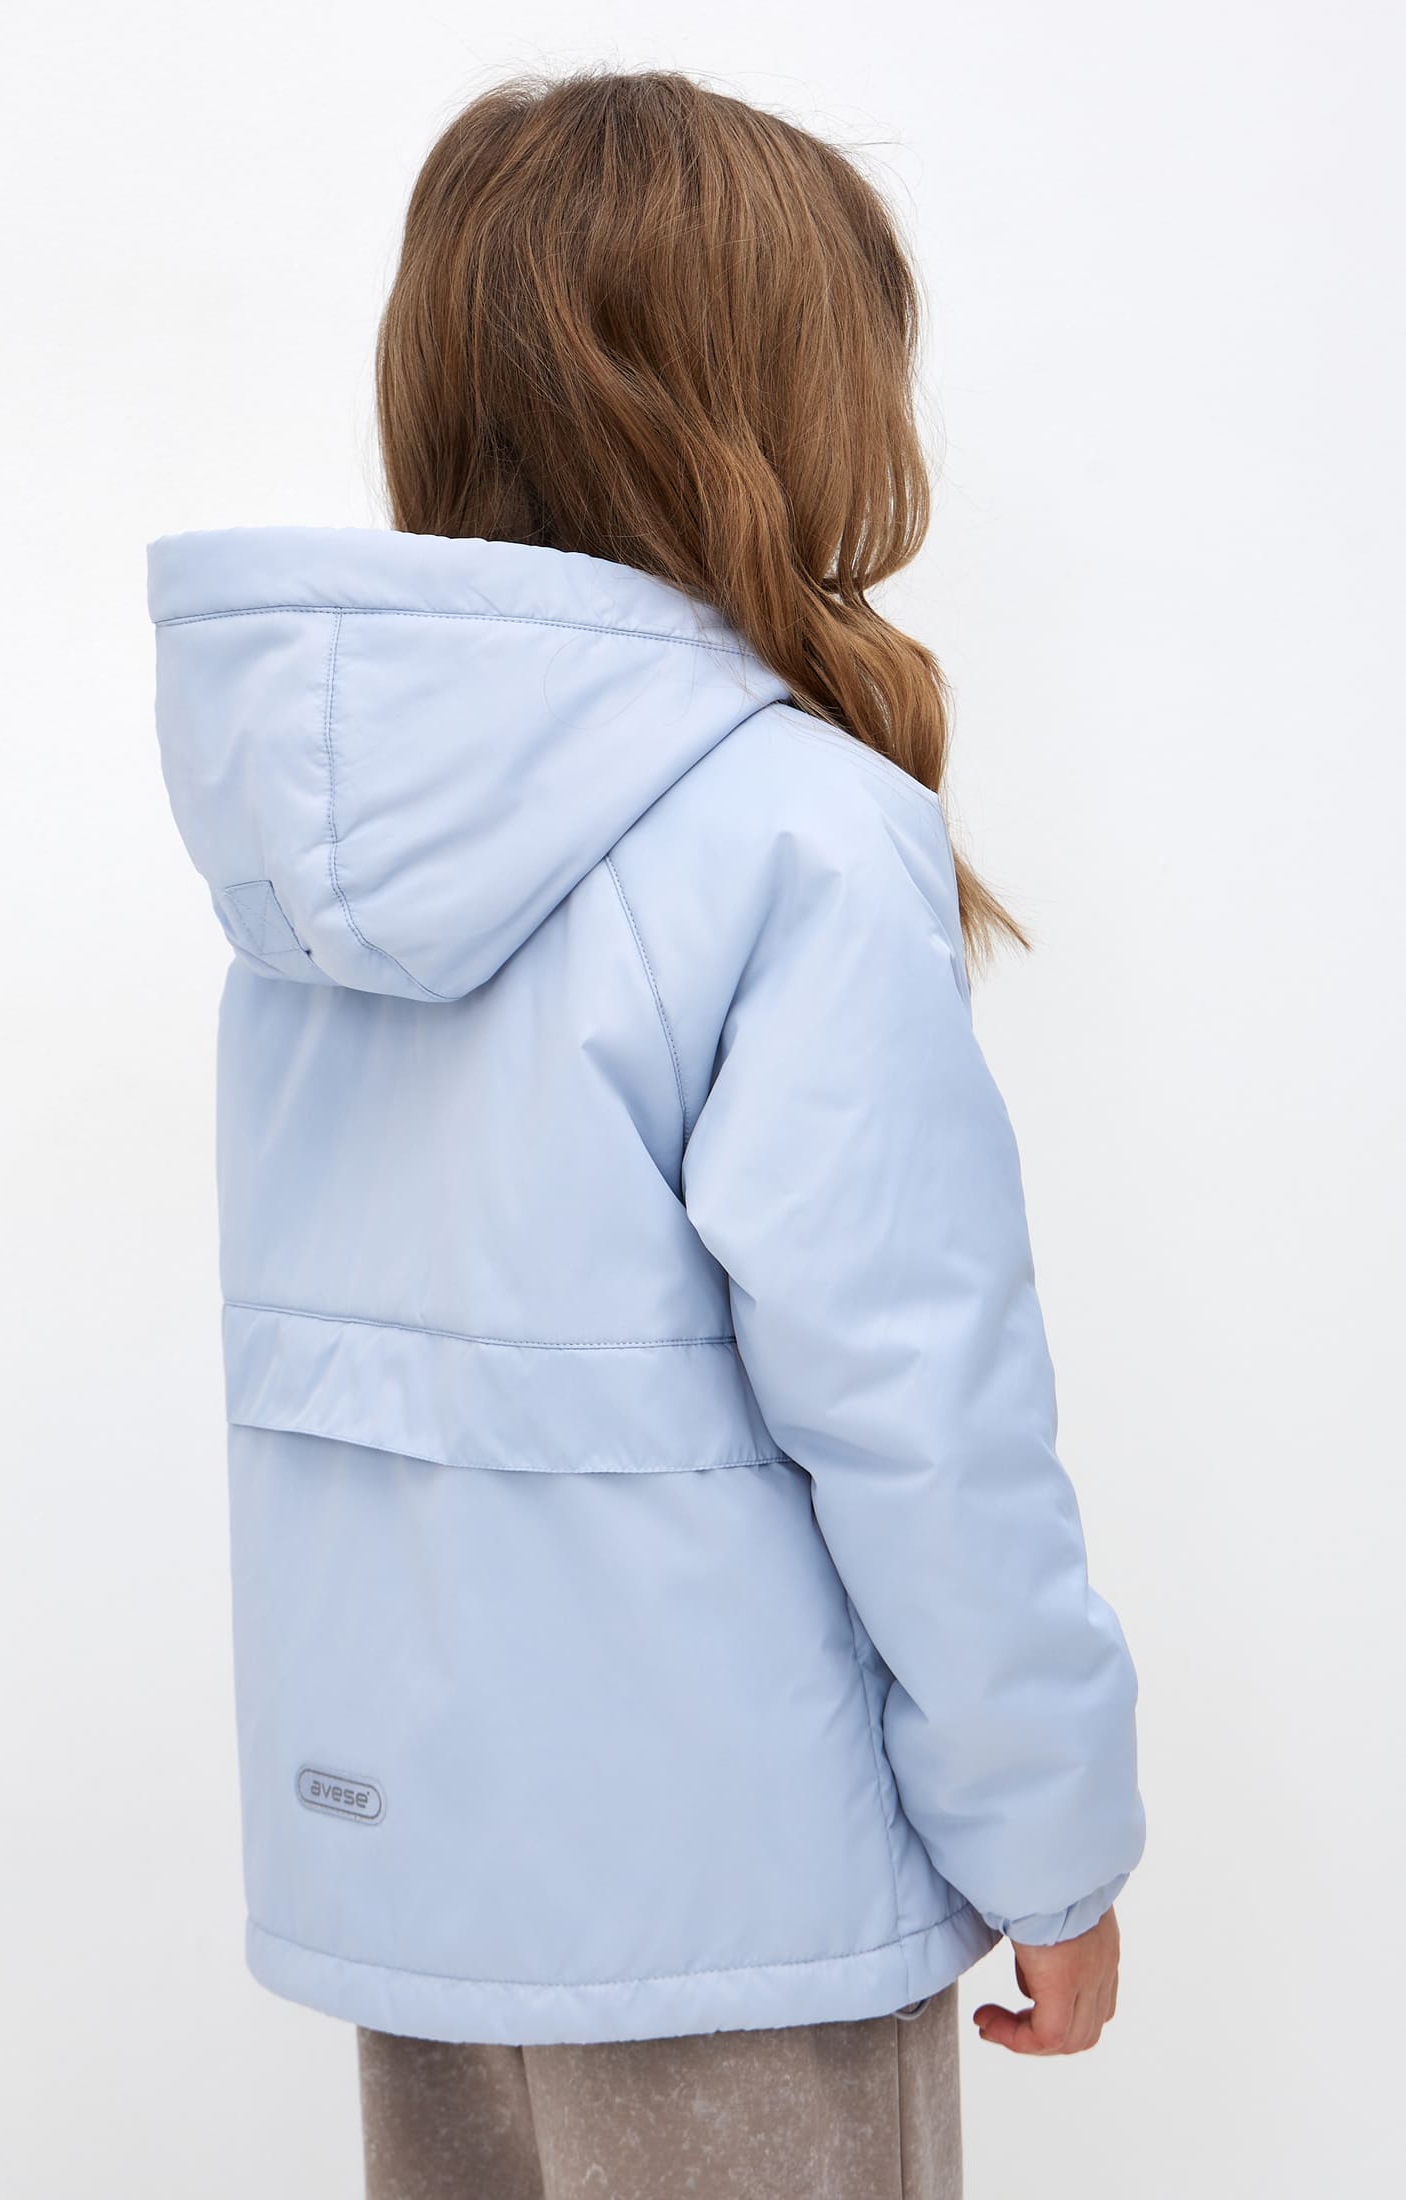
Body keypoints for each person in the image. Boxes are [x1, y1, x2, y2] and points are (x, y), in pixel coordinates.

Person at [149, 66, 1144, 2200]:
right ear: (788, 402)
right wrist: (1051, 1834)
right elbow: (919, 1405)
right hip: (737, 1895)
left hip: (428, 1888)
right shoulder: (793, 831)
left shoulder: (312, 883)